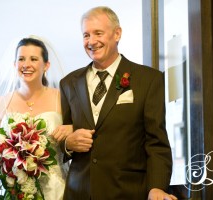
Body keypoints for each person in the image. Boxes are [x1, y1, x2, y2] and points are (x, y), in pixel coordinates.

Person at [60, 6, 177, 200]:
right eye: (86, 35)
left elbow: (156, 143)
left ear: (117, 34)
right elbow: (64, 134)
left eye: (98, 33)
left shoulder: (148, 80)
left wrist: (156, 187)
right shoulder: (69, 83)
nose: (91, 41)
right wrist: (68, 144)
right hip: (79, 193)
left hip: (128, 191)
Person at [0, 36, 71, 200]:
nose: (26, 64)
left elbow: (75, 137)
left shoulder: (62, 99)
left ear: (46, 65)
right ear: (15, 65)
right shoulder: (0, 103)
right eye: (21, 59)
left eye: (34, 59)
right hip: (12, 187)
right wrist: (12, 164)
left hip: (53, 188)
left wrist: (72, 129)